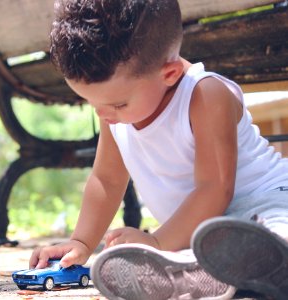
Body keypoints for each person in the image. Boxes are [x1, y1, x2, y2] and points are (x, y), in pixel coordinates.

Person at [29, 0, 288, 299]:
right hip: (203, 236)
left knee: (277, 230)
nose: (103, 115)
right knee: (200, 251)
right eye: (92, 104)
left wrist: (158, 244)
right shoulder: (115, 112)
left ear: (170, 73)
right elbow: (107, 180)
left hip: (268, 204)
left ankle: (256, 259)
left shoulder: (205, 94)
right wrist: (82, 243)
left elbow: (214, 189)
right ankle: (205, 274)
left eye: (117, 104)